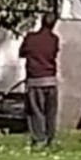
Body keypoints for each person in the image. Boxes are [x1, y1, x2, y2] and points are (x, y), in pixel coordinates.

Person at [19, 13, 60, 148]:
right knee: (50, 111)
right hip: (50, 80)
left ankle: (39, 138)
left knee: (36, 111)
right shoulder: (54, 39)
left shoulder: (31, 38)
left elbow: (22, 53)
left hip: (35, 79)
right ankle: (50, 138)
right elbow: (53, 53)